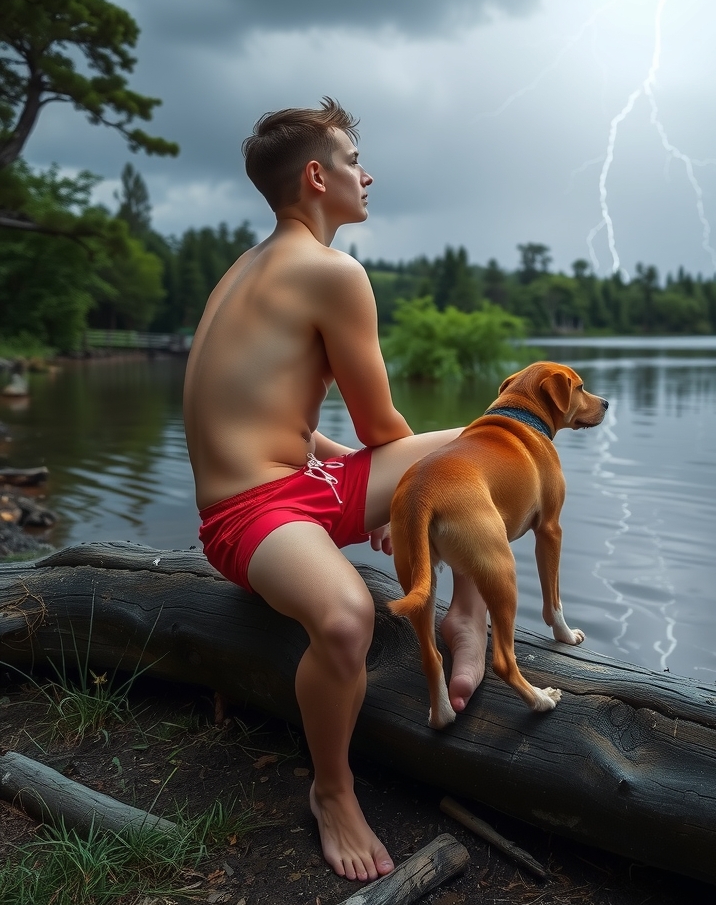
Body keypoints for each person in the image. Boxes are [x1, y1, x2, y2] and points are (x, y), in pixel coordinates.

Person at [182, 98, 488, 882]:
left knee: (487, 445)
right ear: (317, 177)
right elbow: (385, 425)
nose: (368, 173)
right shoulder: (332, 273)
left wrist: (353, 472)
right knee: (349, 617)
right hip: (248, 518)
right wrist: (402, 494)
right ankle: (332, 788)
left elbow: (261, 406)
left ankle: (465, 615)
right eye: (354, 160)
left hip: (303, 483)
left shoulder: (253, 264)